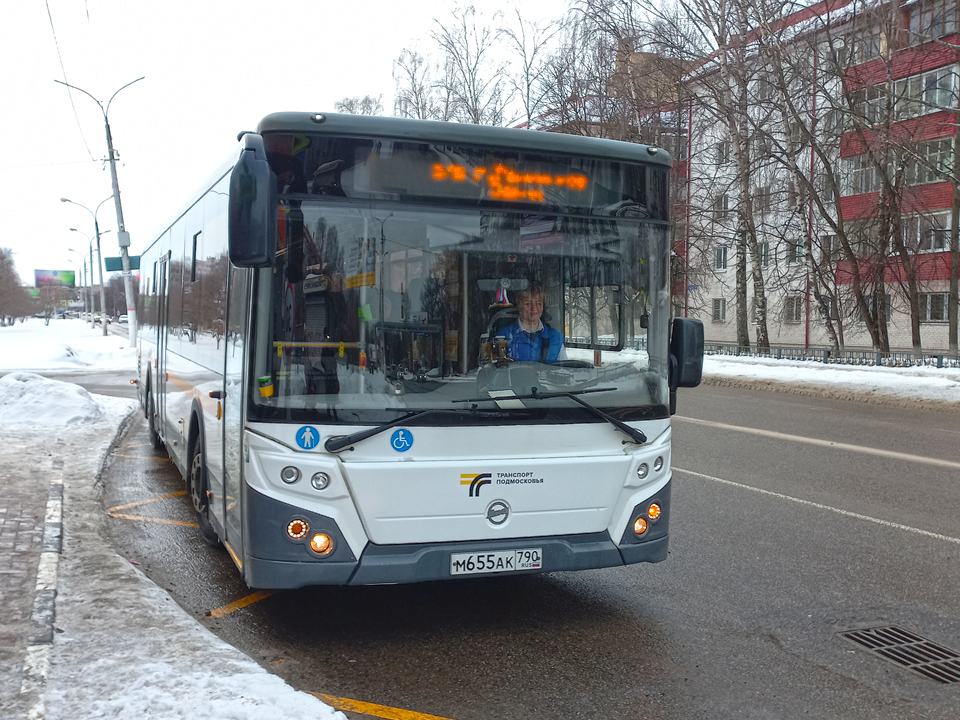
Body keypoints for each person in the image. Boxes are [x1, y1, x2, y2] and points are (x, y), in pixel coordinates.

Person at [494, 283, 567, 363]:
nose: (534, 308)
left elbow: (564, 369)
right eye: (528, 303)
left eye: (538, 303)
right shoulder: (502, 338)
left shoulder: (556, 337)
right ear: (519, 306)